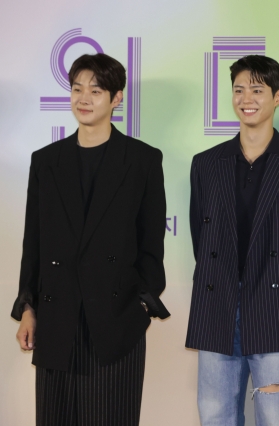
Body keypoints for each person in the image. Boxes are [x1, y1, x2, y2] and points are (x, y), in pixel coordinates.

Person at [12, 53, 170, 426]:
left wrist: (141, 306)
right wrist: (28, 308)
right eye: (77, 89)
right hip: (56, 319)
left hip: (116, 323)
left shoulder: (143, 160)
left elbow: (151, 244)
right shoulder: (46, 161)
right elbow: (33, 241)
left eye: (95, 90)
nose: (83, 98)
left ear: (116, 98)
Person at [186, 55, 279, 426]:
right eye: (238, 89)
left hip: (277, 311)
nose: (246, 98)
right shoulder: (206, 163)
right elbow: (201, 238)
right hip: (216, 308)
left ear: (277, 96)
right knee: (215, 416)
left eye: (257, 89)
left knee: (276, 418)